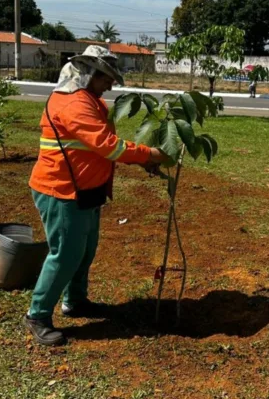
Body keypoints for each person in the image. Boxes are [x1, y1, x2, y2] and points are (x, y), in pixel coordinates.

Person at [25, 45, 168, 345]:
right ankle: (37, 314)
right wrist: (150, 155)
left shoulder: (89, 100)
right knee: (65, 254)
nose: (111, 84)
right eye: (106, 77)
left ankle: (75, 301)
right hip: (62, 190)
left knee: (84, 251)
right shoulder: (74, 103)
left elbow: (100, 149)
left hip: (85, 190)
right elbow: (108, 146)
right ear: (89, 73)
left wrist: (144, 163)